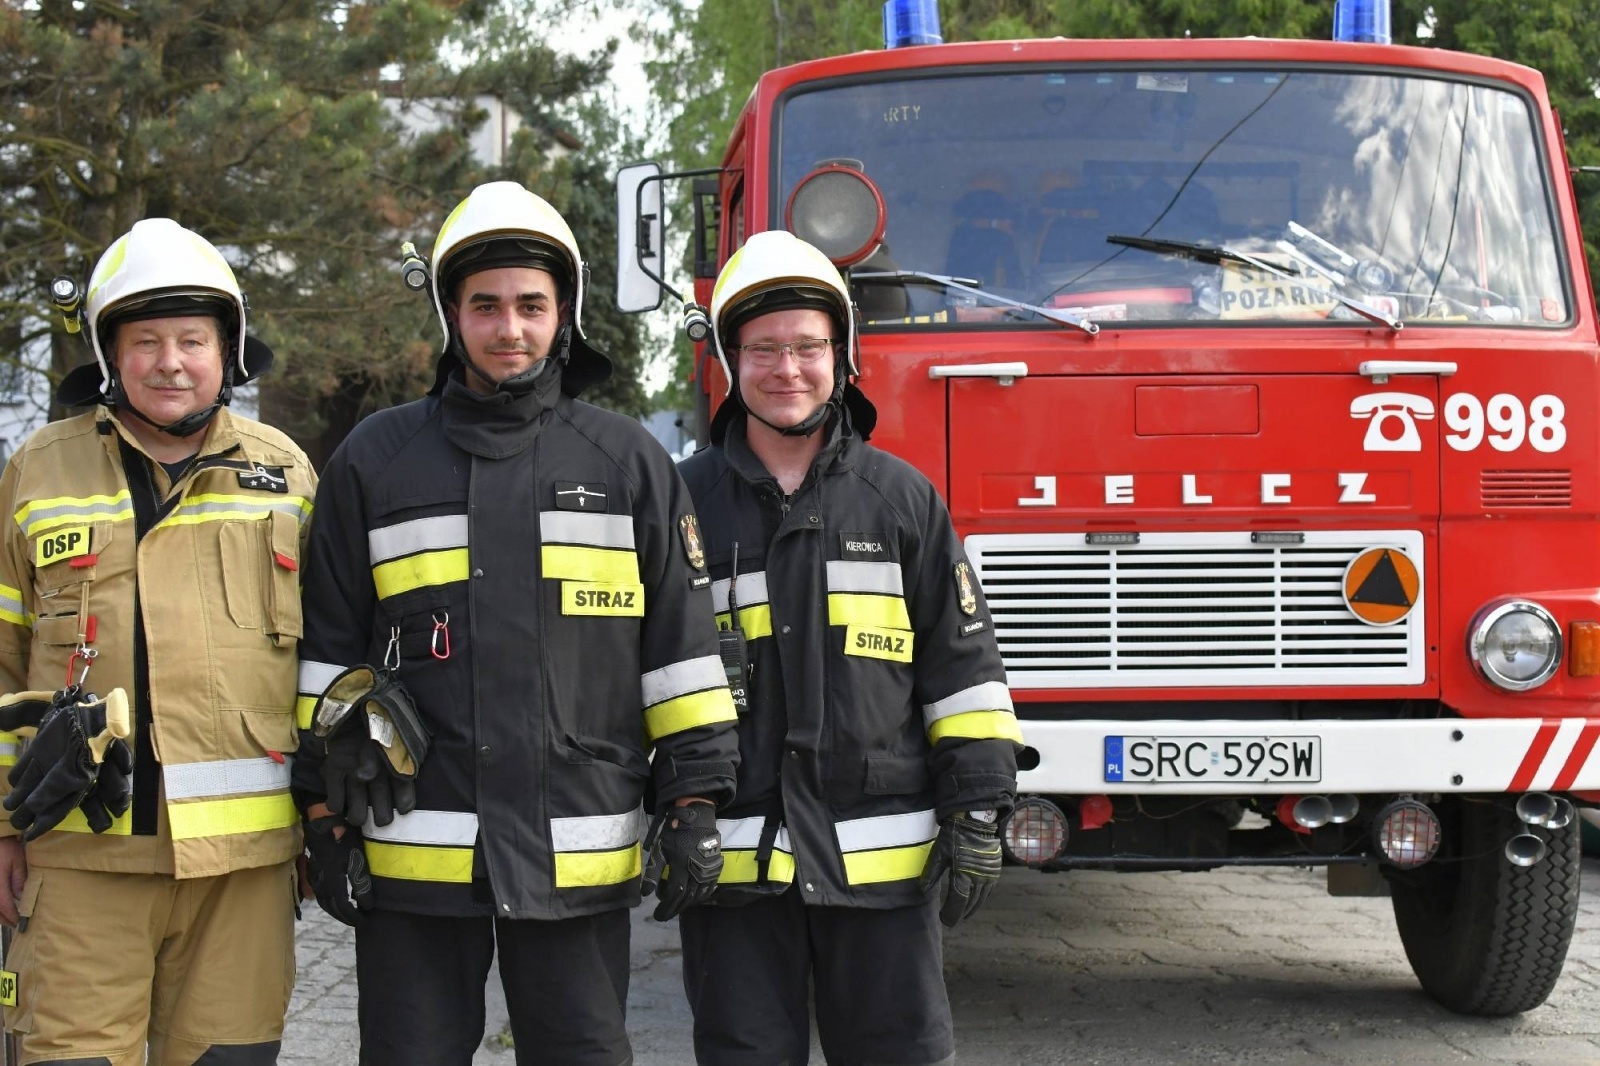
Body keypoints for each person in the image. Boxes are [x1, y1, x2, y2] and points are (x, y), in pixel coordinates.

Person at [291, 180, 739, 1066]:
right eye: (486, 305)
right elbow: (326, 651)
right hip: (415, 858)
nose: (510, 329)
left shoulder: (629, 463)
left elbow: (681, 656)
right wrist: (319, 810)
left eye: (531, 306)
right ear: (452, 315)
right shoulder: (373, 462)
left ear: (563, 313)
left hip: (575, 851)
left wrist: (692, 803)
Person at [676, 228, 1024, 1066]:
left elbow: (962, 667)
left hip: (880, 871)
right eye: (762, 349)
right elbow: (647, 671)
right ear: (730, 360)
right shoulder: (680, 504)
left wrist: (978, 802)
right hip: (736, 871)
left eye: (806, 348)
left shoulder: (901, 500)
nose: (786, 370)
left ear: (843, 356)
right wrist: (674, 809)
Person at [0, 218, 315, 1064]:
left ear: (228, 351)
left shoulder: (286, 472)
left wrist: (323, 817)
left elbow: (326, 657)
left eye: (191, 340)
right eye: (144, 342)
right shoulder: (37, 471)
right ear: (109, 356)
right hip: (79, 863)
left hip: (241, 875)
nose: (170, 362)